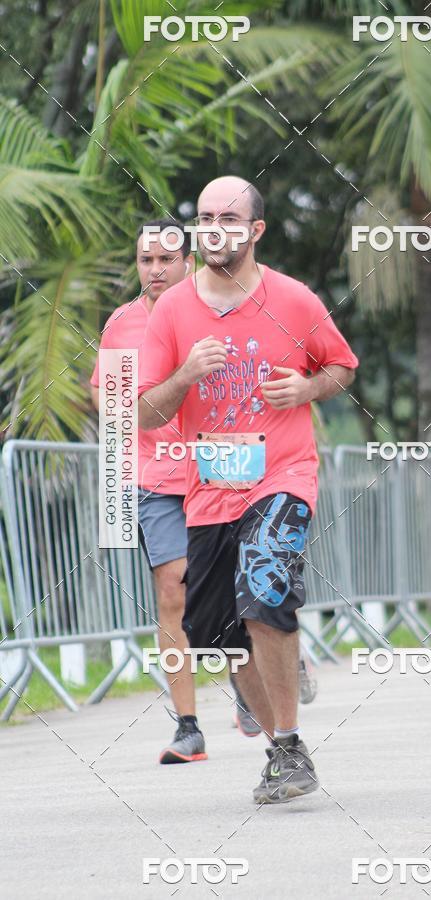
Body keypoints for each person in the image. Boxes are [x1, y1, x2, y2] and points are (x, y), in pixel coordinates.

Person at [137, 175, 358, 803]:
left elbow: (340, 366)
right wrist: (186, 374)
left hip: (282, 475)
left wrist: (307, 388)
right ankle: (283, 746)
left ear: (254, 230)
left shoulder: (294, 300)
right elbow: (147, 414)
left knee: (263, 586)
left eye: (229, 219)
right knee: (217, 635)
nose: (215, 229)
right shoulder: (174, 310)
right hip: (211, 489)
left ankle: (287, 736)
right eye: (205, 218)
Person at [91, 220, 209, 763]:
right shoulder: (121, 324)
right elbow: (108, 404)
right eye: (146, 259)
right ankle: (188, 727)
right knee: (172, 593)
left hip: (222, 469)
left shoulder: (218, 308)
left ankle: (259, 677)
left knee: (238, 590)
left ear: (187, 260)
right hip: (155, 478)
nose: (156, 269)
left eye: (166, 258)